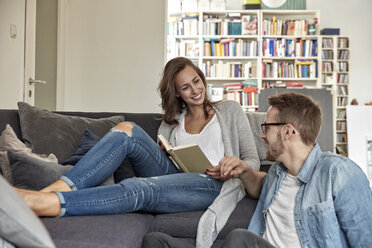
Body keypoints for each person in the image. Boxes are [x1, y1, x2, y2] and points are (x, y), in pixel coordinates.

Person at [15, 57, 261, 217]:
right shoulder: (171, 123)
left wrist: (237, 166)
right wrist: (166, 152)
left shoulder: (229, 111)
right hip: (176, 177)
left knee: (138, 188)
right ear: (176, 93)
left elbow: (253, 159)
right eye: (186, 87)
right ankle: (54, 189)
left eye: (197, 81)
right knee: (126, 129)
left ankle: (49, 203)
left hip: (212, 184)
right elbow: (160, 170)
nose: (195, 90)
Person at [142, 92, 372, 248]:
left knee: (239, 239)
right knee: (156, 241)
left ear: (288, 131)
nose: (261, 135)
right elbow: (259, 183)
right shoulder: (277, 174)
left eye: (266, 127)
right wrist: (242, 169)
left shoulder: (339, 173)